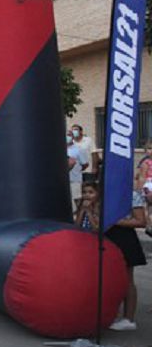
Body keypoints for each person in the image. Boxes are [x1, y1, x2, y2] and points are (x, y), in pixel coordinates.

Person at [75, 178, 146, 331]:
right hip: (105, 240)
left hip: (124, 239)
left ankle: (129, 318)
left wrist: (114, 221)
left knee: (127, 279)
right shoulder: (102, 197)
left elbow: (141, 221)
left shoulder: (131, 195)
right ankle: (109, 313)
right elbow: (92, 223)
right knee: (107, 279)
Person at [67, 132, 83, 205]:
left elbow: (85, 164)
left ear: (73, 137)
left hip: (75, 179)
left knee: (77, 199)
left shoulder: (78, 149)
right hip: (63, 180)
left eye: (69, 135)